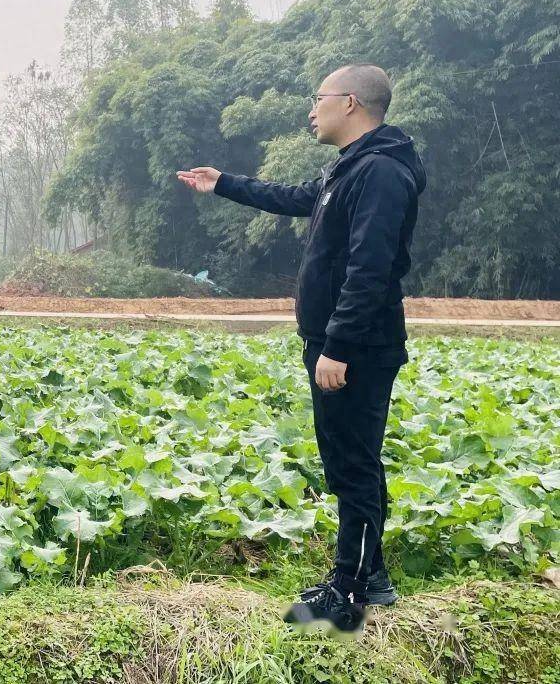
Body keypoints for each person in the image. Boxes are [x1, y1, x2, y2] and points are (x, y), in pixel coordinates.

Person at [178, 64, 426, 633]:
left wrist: (337, 346)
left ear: (351, 104)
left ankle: (350, 594)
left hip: (356, 344)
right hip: (335, 339)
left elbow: (371, 268)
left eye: (318, 99)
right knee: (345, 459)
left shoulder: (383, 173)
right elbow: (296, 197)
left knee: (354, 463)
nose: (311, 110)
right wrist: (225, 183)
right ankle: (367, 577)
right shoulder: (352, 169)